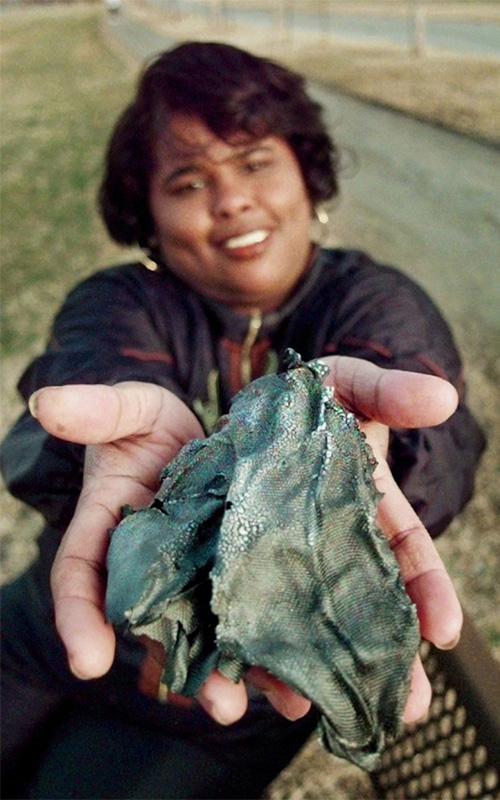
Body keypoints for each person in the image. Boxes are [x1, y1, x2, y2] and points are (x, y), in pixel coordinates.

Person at [1, 41, 485, 799]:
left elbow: (431, 432)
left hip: (224, 706)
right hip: (41, 632)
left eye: (255, 162)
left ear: (307, 176)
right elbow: (93, 371)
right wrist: (109, 441)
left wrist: (358, 468)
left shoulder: (375, 302)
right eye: (189, 181)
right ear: (149, 215)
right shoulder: (119, 302)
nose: (230, 200)